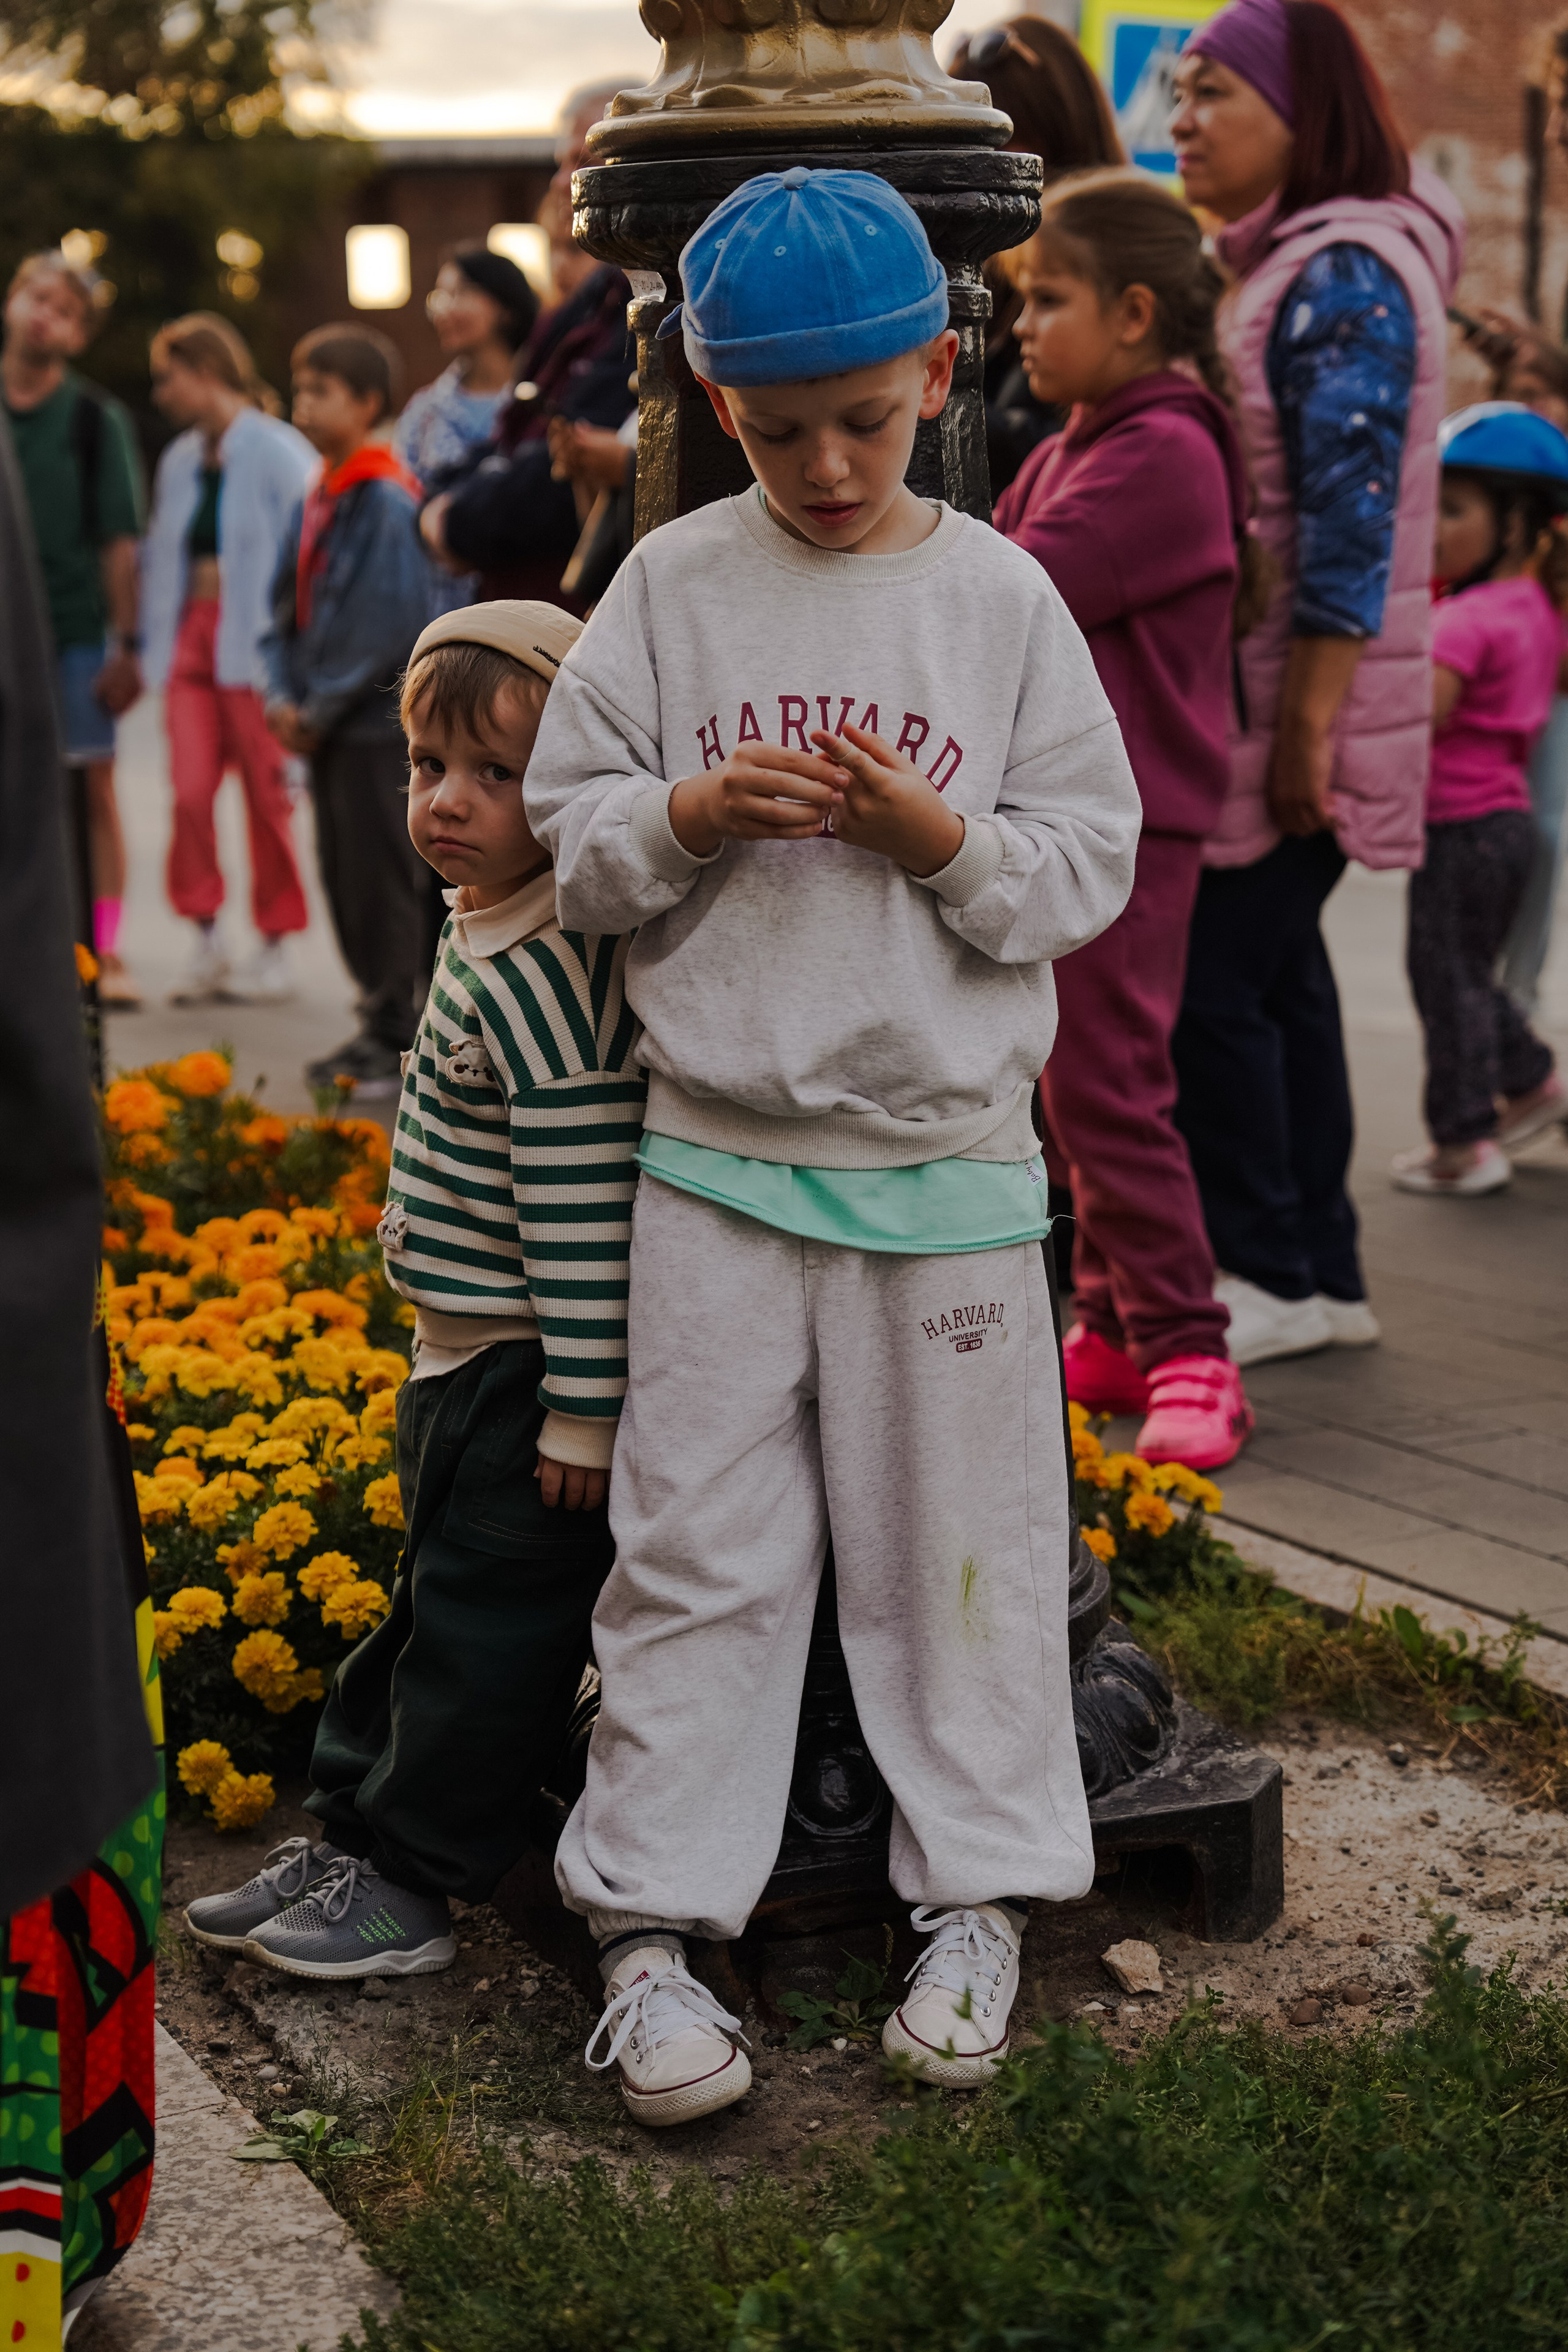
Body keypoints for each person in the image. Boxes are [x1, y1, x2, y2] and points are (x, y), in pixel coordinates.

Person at [526, 167, 1140, 2127]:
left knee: (961, 1557)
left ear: (936, 372)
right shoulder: (670, 582)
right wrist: (694, 812)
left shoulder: (998, 597)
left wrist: (938, 845)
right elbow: (571, 833)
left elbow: (1087, 865)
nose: (823, 461)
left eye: (865, 420)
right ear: (716, 407)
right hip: (710, 1161)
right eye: (778, 429)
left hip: (946, 1170)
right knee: (691, 1555)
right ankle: (646, 1931)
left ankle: (974, 1898)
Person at [186, 601, 645, 1980]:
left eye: (493, 776)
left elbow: (578, 1219)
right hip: (458, 1357)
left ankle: (418, 1890)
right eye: (425, 768)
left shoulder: (554, 966)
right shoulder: (483, 919)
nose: (446, 803)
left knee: (484, 1644)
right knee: (423, 1611)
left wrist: (581, 1411)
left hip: (521, 1377)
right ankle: (355, 1835)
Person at [1167, 0, 1465, 1368]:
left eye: (1210, 92)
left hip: (1305, 695)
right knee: (1275, 980)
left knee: (1210, 988)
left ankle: (1269, 1268)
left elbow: (1341, 522)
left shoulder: (1339, 272)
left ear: (1301, 113)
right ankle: (1323, 1275)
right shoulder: (1297, 265)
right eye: (1176, 91)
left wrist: (1305, 727)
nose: (1180, 118)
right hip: (1292, 688)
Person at [995, 170, 1258, 1472]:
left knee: (1107, 1088)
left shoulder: (1162, 451)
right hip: (1068, 819)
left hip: (1128, 827)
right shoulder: (1072, 441)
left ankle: (1190, 1345)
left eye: (1047, 299)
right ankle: (1101, 1321)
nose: (1021, 325)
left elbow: (1012, 588)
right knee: (1068, 1083)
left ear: (1136, 311)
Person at [1392, 405, 1568, 1194]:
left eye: (1456, 510)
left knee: (1443, 980)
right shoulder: (1536, 611)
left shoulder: (1462, 622)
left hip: (1458, 828)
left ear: (1518, 523)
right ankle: (1531, 1081)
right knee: (1469, 973)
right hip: (1508, 824)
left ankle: (1465, 1141)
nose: (1436, 527)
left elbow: (1415, 721)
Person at [258, 324, 436, 1098]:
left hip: (364, 724)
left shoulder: (384, 497)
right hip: (322, 722)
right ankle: (375, 1017)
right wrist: (279, 693)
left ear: (367, 404)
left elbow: (384, 620)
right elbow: (279, 605)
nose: (305, 405)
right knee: (341, 872)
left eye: (322, 391)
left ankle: (398, 1027)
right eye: (300, 389)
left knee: (379, 877)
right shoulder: (321, 491)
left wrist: (320, 705)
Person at [142, 314, 315, 1006]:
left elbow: (307, 552)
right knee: (187, 791)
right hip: (192, 638)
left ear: (205, 371)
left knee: (266, 798)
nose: (160, 393)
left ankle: (274, 941)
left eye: (167, 376)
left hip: (257, 643)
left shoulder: (278, 450)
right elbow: (163, 558)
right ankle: (206, 934)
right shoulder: (180, 459)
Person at [419, 86, 635, 603]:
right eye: (561, 163)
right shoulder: (592, 302)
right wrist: (439, 508)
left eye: (583, 161)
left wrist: (454, 522)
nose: (562, 182)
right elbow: (508, 440)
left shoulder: (650, 301)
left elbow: (560, 467)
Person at [1, 251, 145, 1007]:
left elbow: (118, 543)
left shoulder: (94, 421)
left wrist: (127, 645)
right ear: (11, 300)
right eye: (36, 295)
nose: (44, 312)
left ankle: (102, 949)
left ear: (77, 335)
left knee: (89, 790)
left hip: (75, 636)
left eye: (64, 308)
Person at [949, 17, 1126, 495]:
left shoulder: (1115, 252)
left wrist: (935, 405)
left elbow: (1096, 449)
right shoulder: (990, 254)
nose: (980, 164)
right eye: (963, 144)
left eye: (1000, 139)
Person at [396, 247, 538, 494]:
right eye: (440, 297)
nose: (443, 311)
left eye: (461, 292)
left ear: (505, 305)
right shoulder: (424, 412)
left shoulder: (541, 397)